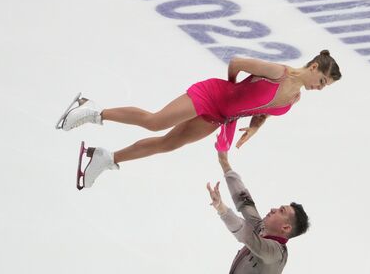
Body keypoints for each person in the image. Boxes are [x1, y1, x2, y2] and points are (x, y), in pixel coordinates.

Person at [57, 50, 341, 189]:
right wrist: (232, 90)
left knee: (167, 144)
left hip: (221, 116)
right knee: (156, 122)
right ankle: (92, 110)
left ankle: (106, 158)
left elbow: (264, 110)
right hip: (213, 96)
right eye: (322, 80)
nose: (320, 86)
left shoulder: (294, 98)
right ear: (314, 67)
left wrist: (253, 128)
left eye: (325, 85)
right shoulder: (278, 72)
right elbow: (237, 62)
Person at [207, 151, 310, 274]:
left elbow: (245, 233)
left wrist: (221, 208)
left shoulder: (275, 253)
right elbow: (245, 203)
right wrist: (224, 163)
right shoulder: (262, 230)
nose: (273, 209)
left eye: (281, 211)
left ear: (286, 227)